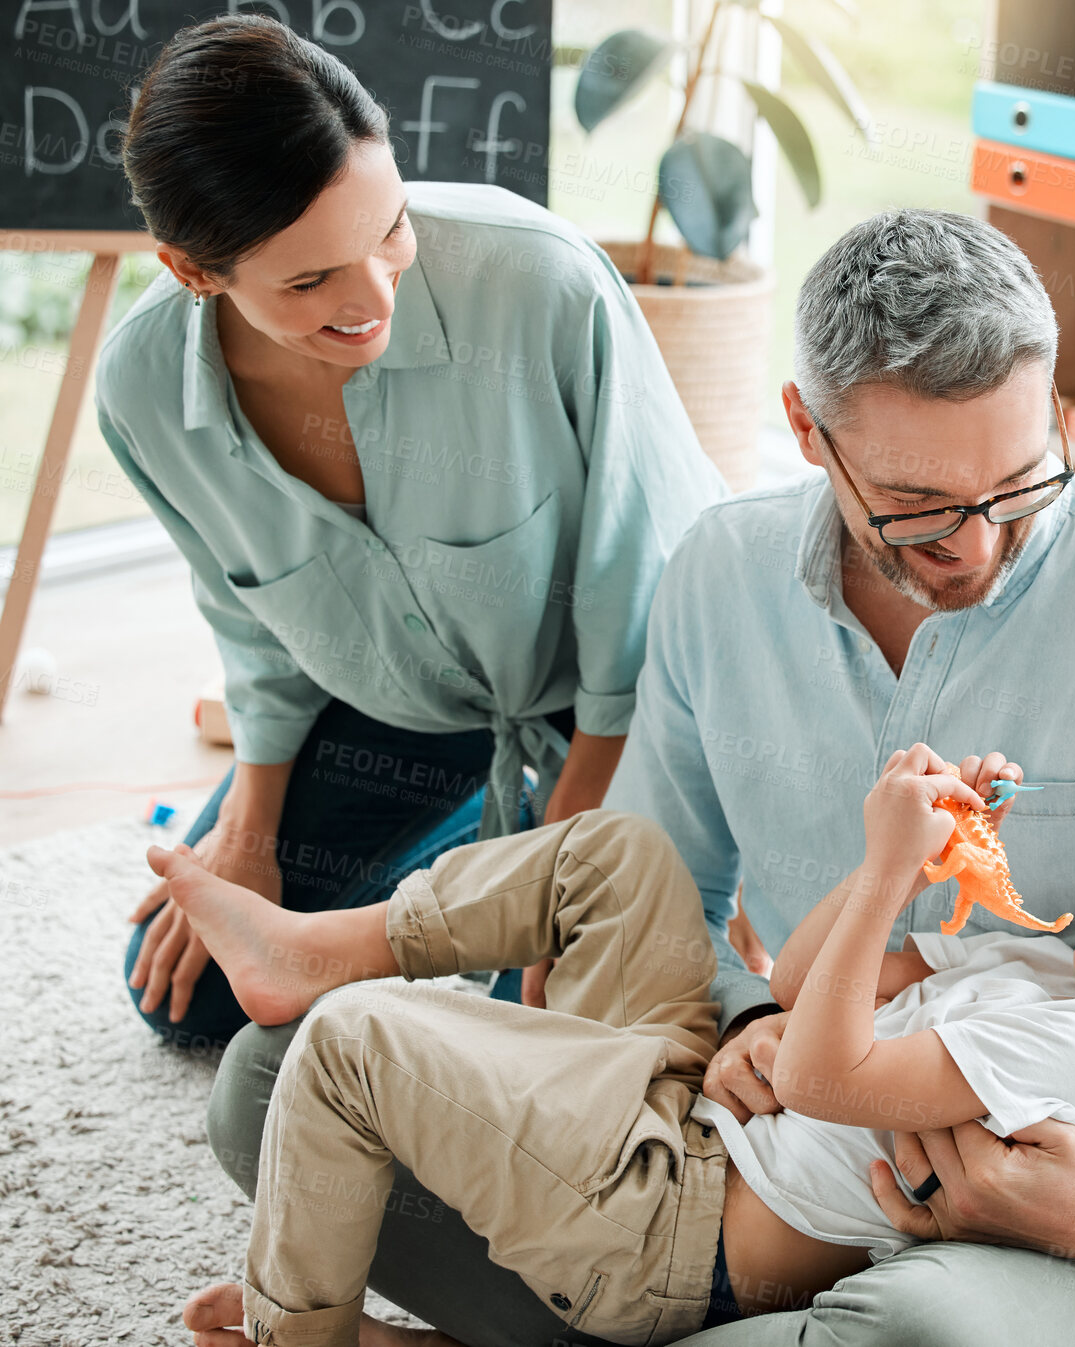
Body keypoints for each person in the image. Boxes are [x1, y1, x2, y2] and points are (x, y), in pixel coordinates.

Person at [207, 209, 1075, 1347]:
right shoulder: (724, 570)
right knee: (272, 1082)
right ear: (807, 430)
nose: (977, 545)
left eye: (1016, 486)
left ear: (1051, 411)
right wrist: (755, 1016)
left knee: (920, 1335)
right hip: (737, 1116)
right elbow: (670, 887)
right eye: (915, 507)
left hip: (1001, 1231)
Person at [155, 746, 1075, 1347]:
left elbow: (823, 1074)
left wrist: (879, 872)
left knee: (360, 1048)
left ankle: (295, 1338)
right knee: (623, 853)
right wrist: (902, 874)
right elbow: (803, 985)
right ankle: (322, 945)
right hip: (696, 1111)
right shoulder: (1047, 970)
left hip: (669, 1224)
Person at [97, 15, 726, 1047]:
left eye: (388, 227)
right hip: (400, 714)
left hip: (625, 703)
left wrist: (559, 866)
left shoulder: (541, 285)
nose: (373, 297)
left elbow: (646, 596)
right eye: (308, 283)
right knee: (185, 990)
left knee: (568, 1012)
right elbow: (254, 627)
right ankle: (445, 891)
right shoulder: (143, 393)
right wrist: (246, 841)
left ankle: (435, 908)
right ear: (192, 271)